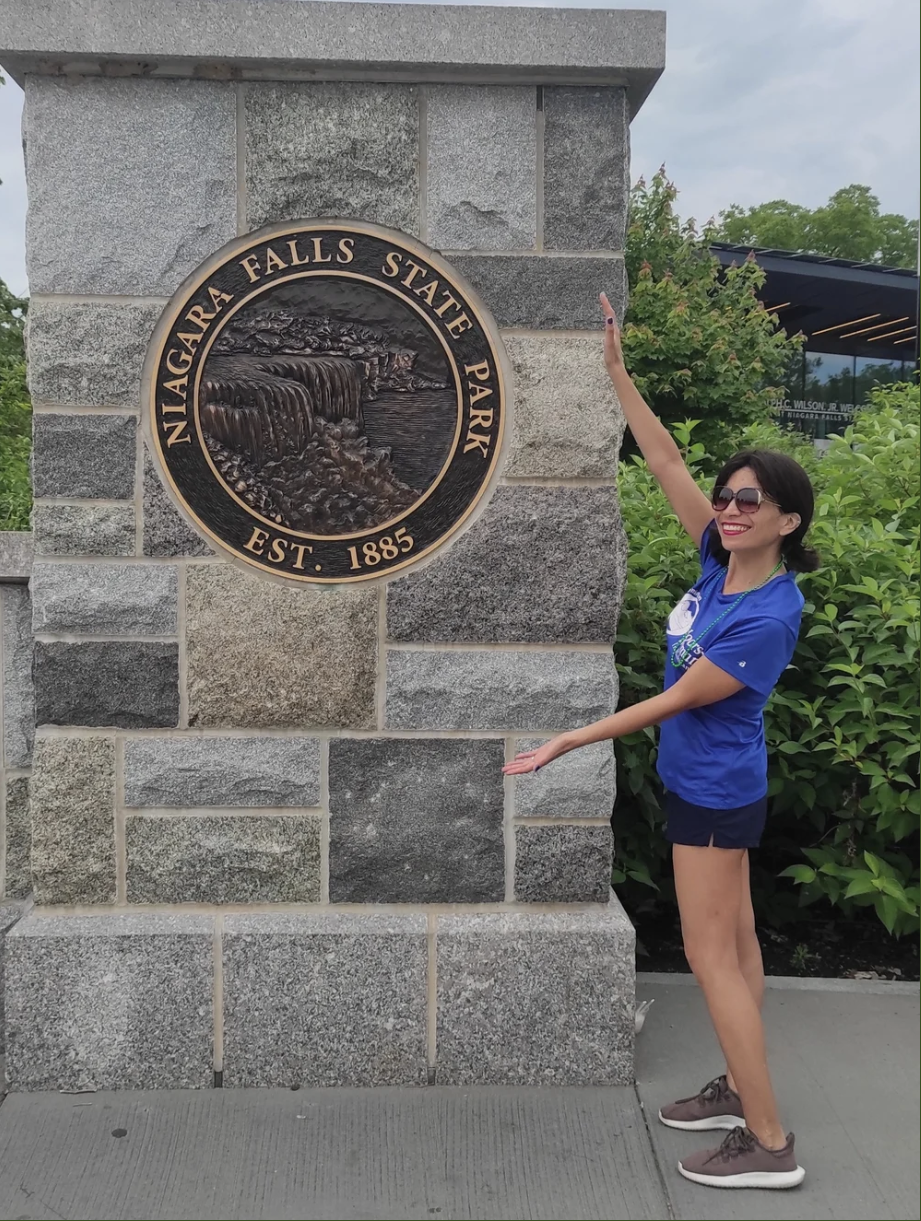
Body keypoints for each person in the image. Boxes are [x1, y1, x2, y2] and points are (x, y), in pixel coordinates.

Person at [503, 292, 819, 1191]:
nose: (728, 506)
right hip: (714, 783)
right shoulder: (720, 567)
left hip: (713, 792)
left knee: (711, 957)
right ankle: (737, 1086)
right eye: (726, 495)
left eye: (749, 500)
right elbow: (665, 457)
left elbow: (677, 698)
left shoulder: (766, 614)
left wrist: (568, 739)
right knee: (739, 946)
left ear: (787, 520)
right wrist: (615, 372)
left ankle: (768, 1141)